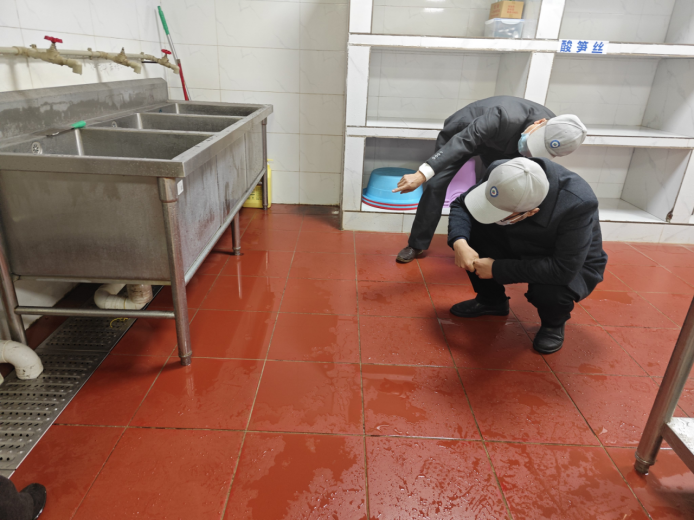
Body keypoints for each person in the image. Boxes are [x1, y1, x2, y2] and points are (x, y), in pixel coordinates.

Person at [392, 95, 588, 263]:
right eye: (533, 142)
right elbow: (465, 139)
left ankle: (489, 245)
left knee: (506, 189)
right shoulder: (503, 115)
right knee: (435, 184)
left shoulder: (558, 131)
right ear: (539, 123)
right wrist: (421, 174)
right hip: (464, 132)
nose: (531, 150)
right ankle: (416, 244)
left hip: (504, 146)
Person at [447, 156, 607, 353]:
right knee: (470, 233)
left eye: (500, 213)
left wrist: (497, 269)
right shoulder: (505, 173)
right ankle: (491, 300)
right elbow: (462, 204)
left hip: (566, 259)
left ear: (531, 212)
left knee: (550, 291)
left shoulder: (578, 202)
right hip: (515, 237)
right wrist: (460, 242)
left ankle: (553, 324)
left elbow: (563, 269)